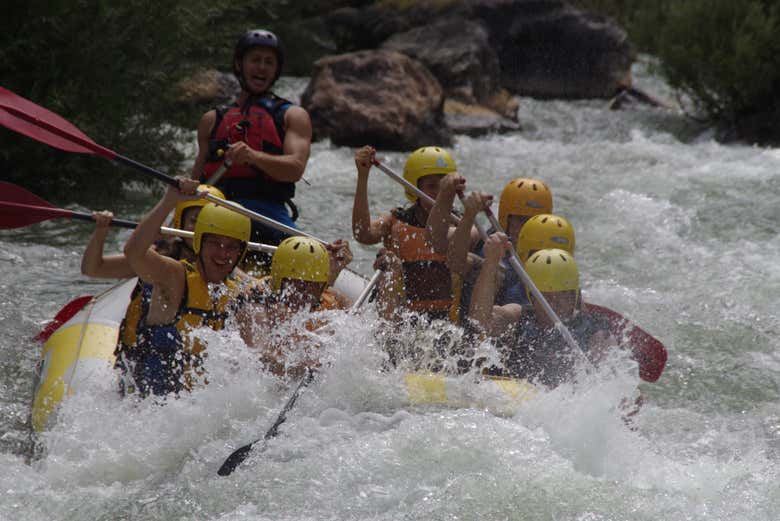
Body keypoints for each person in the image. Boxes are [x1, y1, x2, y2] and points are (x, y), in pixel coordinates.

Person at [115, 180, 251, 397]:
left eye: (231, 247)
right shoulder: (175, 276)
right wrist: (169, 201)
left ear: (240, 253)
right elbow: (134, 252)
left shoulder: (237, 293)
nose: (222, 253)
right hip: (146, 404)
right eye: (214, 243)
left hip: (195, 407)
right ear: (199, 243)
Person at [190, 29, 312, 255]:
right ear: (239, 64)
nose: (262, 67)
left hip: (267, 215)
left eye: (269, 62)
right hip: (215, 211)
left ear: (276, 70)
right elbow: (194, 184)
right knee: (167, 245)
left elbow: (295, 169)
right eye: (255, 60)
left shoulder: (292, 116)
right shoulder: (211, 120)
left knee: (308, 253)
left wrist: (253, 157)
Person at [469, 239, 615, 389]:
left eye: (562, 295)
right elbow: (480, 321)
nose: (554, 303)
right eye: (546, 297)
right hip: (514, 395)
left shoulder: (595, 330)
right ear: (532, 297)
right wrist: (490, 263)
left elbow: (606, 383)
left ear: (574, 296)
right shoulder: (519, 316)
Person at [352, 145, 458, 322]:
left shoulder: (461, 225)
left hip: (446, 322)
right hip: (400, 318)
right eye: (432, 186)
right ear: (414, 188)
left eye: (444, 187)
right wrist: (363, 177)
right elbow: (363, 234)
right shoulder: (395, 220)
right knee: (390, 264)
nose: (439, 194)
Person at [427, 176, 554, 309]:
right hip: (486, 318)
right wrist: (466, 213)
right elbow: (444, 251)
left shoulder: (553, 252)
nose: (526, 227)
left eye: (534, 221)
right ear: (506, 219)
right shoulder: (483, 240)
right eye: (520, 220)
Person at [239, 236, 349, 377]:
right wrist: (311, 368)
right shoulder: (257, 302)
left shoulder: (332, 299)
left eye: (314, 285)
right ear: (279, 279)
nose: (306, 292)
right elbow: (260, 356)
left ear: (322, 285)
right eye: (299, 284)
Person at [80, 185, 226, 279]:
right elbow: (92, 269)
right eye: (194, 221)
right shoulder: (156, 258)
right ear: (180, 223)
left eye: (210, 222)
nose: (201, 228)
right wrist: (101, 231)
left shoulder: (227, 265)